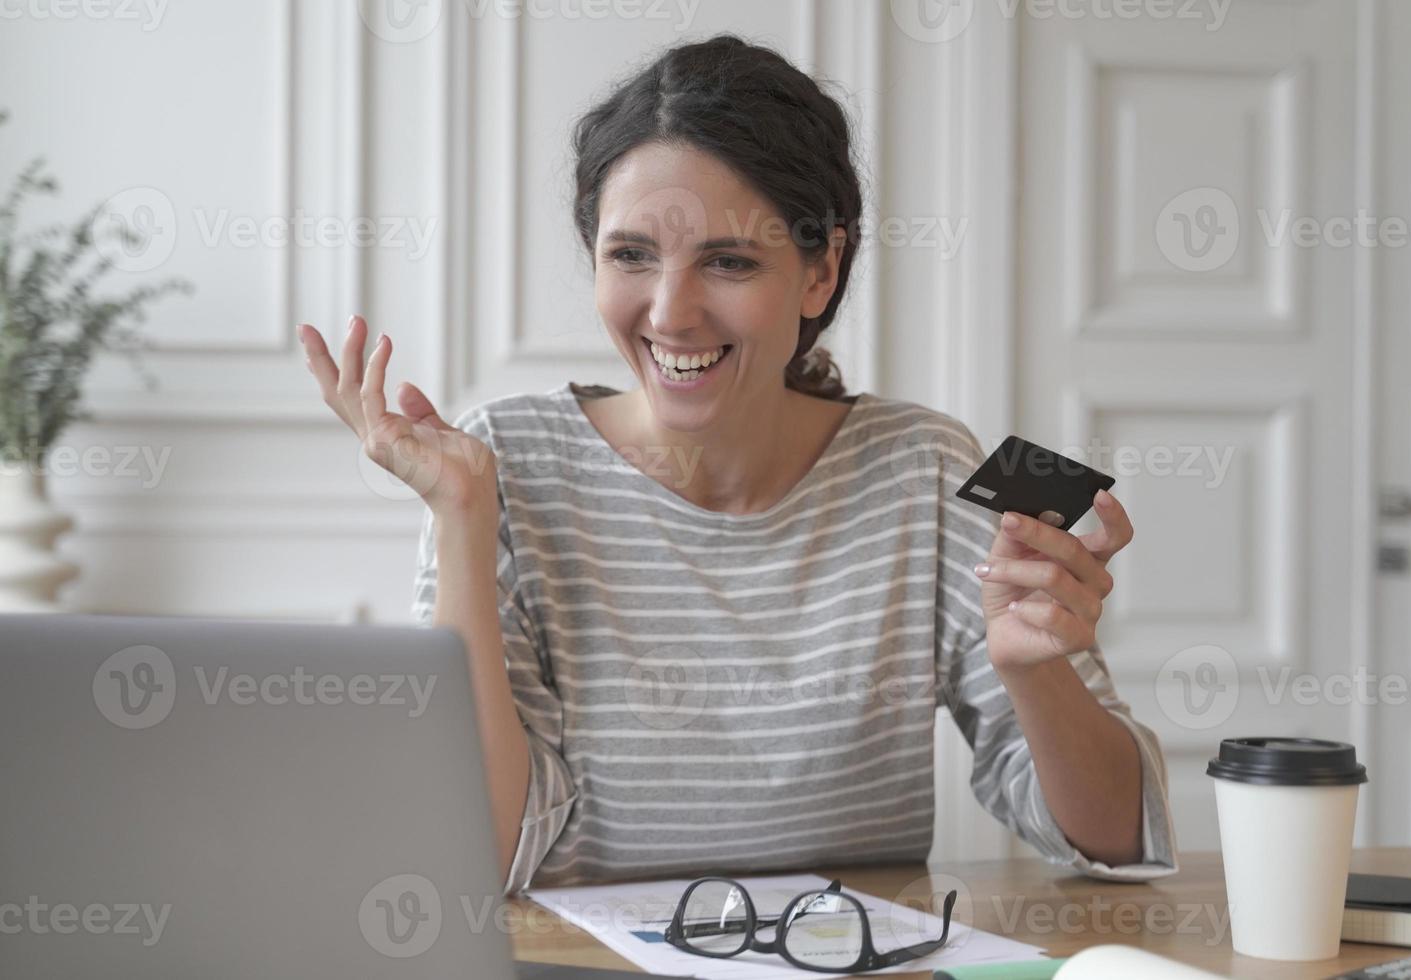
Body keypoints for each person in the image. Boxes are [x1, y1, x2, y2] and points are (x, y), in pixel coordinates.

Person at [297, 34, 1178, 897]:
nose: (672, 313)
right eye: (631, 255)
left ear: (820, 271)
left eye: (727, 261)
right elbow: (479, 857)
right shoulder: (499, 465)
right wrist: (460, 520)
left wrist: (1035, 670)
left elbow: (1120, 841)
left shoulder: (930, 464)